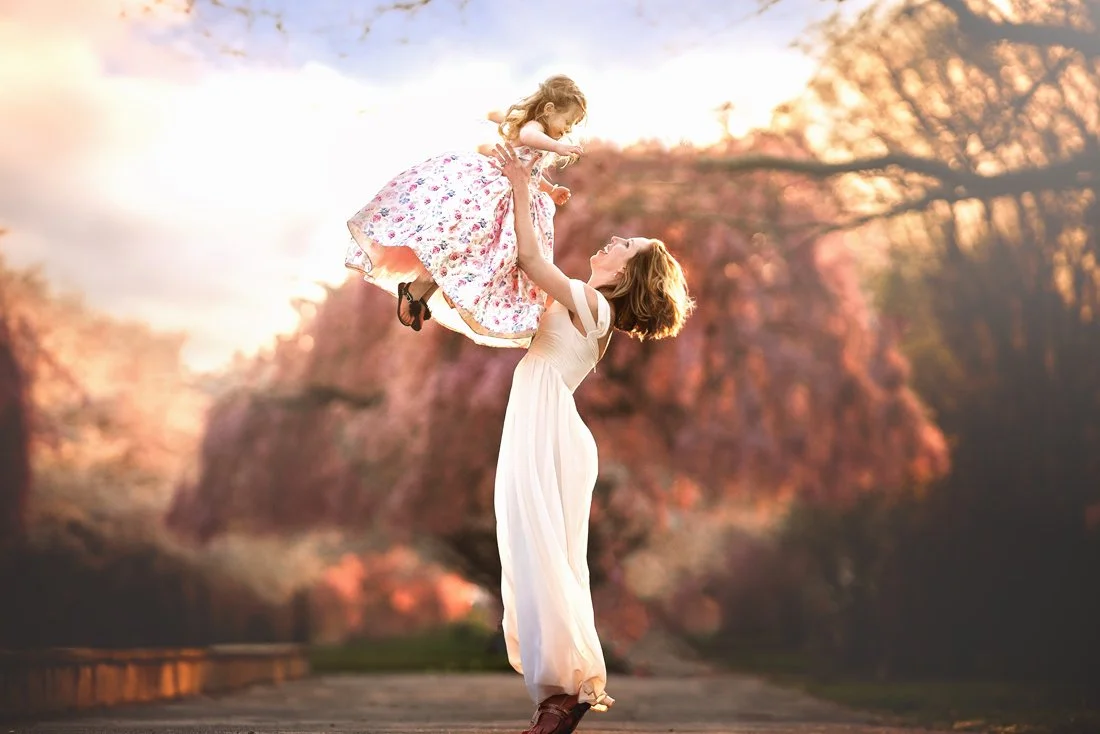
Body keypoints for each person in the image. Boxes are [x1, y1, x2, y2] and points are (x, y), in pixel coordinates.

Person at [491, 141, 694, 734]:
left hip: (548, 431)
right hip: (539, 425)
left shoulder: (593, 307)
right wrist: (535, 194)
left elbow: (532, 262)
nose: (613, 241)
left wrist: (521, 184)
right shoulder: (582, 299)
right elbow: (528, 262)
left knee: (542, 554)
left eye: (624, 245)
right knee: (533, 552)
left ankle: (566, 690)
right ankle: (559, 692)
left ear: (626, 273)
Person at [344, 75, 587, 346]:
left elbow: (530, 175)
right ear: (549, 109)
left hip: (513, 202)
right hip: (493, 196)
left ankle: (422, 294)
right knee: (464, 244)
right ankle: (415, 291)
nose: (567, 130)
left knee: (481, 255)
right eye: (567, 122)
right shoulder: (534, 128)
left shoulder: (542, 143)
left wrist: (550, 190)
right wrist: (558, 147)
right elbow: (529, 136)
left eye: (572, 127)